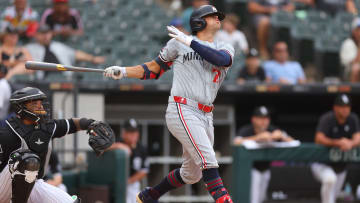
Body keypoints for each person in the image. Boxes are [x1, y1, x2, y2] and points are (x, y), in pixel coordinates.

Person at [104, 5, 235, 203]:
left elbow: (221, 60)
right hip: (182, 108)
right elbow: (153, 70)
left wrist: (190, 41)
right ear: (199, 21)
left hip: (206, 115)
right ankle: (224, 200)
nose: (218, 18)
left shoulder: (224, 46)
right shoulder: (178, 43)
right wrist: (123, 71)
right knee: (209, 161)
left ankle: (150, 195)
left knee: (192, 174)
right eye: (212, 16)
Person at [0, 87, 115, 203]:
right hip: (3, 186)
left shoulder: (47, 127)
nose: (40, 107)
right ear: (20, 108)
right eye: (35, 104)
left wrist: (91, 123)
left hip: (32, 184)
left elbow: (72, 124)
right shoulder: (6, 133)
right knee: (27, 160)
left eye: (41, 103)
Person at [234, 106, 293, 203]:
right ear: (254, 119)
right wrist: (257, 137)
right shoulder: (247, 130)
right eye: (260, 118)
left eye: (266, 118)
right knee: (253, 199)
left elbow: (293, 142)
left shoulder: (272, 129)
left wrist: (282, 136)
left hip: (266, 169)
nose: (263, 121)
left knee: (261, 199)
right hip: (249, 170)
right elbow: (236, 142)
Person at [312, 94, 360, 203]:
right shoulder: (328, 118)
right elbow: (318, 138)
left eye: (347, 107)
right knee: (330, 179)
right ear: (335, 108)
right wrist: (338, 142)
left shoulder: (353, 119)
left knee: (333, 197)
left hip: (340, 168)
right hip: (322, 163)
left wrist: (350, 143)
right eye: (342, 107)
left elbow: (358, 138)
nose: (345, 110)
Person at [26, 25, 105, 80]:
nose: (45, 36)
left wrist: (93, 58)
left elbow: (75, 54)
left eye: (47, 33)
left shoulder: (59, 46)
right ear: (36, 35)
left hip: (64, 79)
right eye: (42, 33)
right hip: (43, 81)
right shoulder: (30, 48)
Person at [108, 118, 149, 203]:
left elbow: (144, 170)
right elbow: (101, 148)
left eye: (135, 132)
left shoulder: (141, 149)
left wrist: (127, 182)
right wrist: (118, 146)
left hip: (132, 183)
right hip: (114, 182)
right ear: (124, 133)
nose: (134, 134)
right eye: (130, 132)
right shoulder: (117, 142)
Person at [340, 17, 360, 82]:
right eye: (358, 29)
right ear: (353, 31)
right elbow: (353, 63)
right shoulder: (348, 43)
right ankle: (354, 91)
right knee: (356, 68)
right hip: (349, 72)